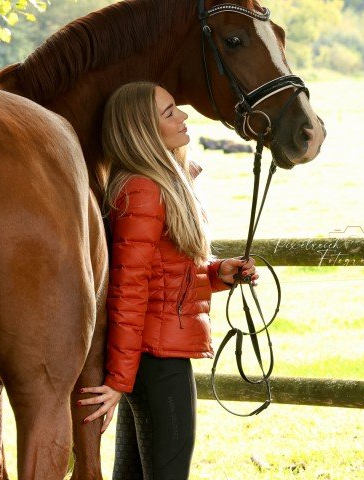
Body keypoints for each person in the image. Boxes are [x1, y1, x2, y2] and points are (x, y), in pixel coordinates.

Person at [76, 81, 258, 479]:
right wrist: (119, 381)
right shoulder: (143, 189)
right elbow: (128, 288)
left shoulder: (159, 183)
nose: (183, 116)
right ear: (144, 130)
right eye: (169, 112)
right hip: (155, 361)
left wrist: (216, 274)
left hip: (151, 356)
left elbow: (162, 276)